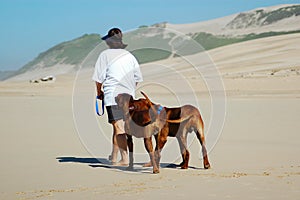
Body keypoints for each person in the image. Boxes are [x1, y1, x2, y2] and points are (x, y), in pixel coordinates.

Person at [92, 28, 143, 166]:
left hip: (112, 96)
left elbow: (98, 79)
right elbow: (137, 78)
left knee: (119, 127)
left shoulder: (105, 55)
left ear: (109, 42)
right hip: (129, 97)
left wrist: (99, 93)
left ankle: (125, 159)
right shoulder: (129, 56)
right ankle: (114, 157)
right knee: (118, 127)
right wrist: (130, 89)